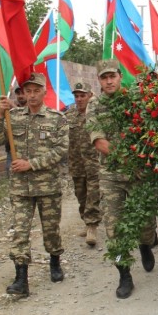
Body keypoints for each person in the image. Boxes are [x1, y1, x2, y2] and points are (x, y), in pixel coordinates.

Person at [0, 72, 69, 296]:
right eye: (28, 91)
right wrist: (0, 115)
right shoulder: (12, 116)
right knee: (20, 232)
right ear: (23, 93)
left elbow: (61, 151)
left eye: (36, 91)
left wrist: (31, 164)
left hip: (47, 186)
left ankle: (54, 261)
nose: (32, 95)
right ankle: (21, 279)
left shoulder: (57, 119)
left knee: (51, 229)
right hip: (20, 188)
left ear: (44, 92)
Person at [88, 59, 157, 299]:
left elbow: (150, 131)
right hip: (111, 176)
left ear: (120, 76)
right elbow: (99, 141)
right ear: (99, 80)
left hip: (140, 175)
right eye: (103, 77)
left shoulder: (136, 100)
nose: (108, 81)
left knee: (146, 224)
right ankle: (124, 274)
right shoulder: (94, 105)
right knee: (114, 230)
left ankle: (145, 245)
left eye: (112, 76)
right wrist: (128, 160)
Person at [64, 81, 101, 246]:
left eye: (83, 95)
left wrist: (93, 104)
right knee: (81, 195)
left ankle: (92, 226)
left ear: (90, 96)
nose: (79, 99)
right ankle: (86, 222)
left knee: (93, 195)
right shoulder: (69, 115)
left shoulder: (96, 113)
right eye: (76, 96)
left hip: (93, 162)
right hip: (76, 163)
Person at [4, 86, 28, 176]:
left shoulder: (32, 107)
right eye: (18, 93)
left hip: (29, 150)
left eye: (23, 93)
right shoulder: (10, 108)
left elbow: (26, 118)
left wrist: (12, 106)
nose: (20, 96)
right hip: (12, 150)